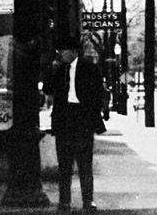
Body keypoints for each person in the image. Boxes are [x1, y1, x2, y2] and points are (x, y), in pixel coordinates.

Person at [42, 34, 106, 214]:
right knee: (64, 165)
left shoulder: (89, 68)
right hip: (64, 120)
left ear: (73, 52)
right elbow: (47, 89)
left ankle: (88, 200)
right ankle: (64, 202)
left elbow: (97, 94)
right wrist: (52, 70)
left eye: (62, 51)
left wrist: (94, 118)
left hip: (82, 119)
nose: (60, 54)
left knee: (85, 164)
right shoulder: (59, 70)